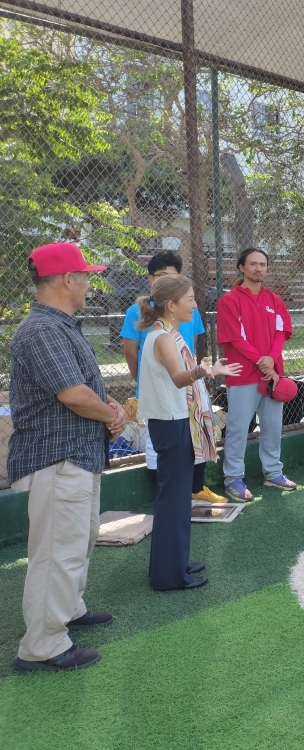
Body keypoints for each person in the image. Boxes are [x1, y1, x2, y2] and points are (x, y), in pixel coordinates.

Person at [9, 242, 127, 672]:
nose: (88, 283)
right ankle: (42, 644)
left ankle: (68, 610)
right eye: (85, 276)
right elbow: (74, 395)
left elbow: (86, 387)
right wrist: (109, 413)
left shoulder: (59, 325)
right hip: (57, 458)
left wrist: (110, 408)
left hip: (75, 454)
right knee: (58, 551)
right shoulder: (42, 329)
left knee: (75, 543)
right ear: (67, 279)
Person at [136, 276, 240, 590]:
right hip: (171, 422)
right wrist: (201, 371)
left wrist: (208, 369)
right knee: (173, 499)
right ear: (171, 305)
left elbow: (182, 377)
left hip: (176, 420)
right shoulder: (163, 337)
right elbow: (180, 378)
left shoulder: (169, 333)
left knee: (178, 498)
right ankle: (169, 575)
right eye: (191, 299)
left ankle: (173, 563)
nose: (195, 304)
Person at [120, 250, 224, 503]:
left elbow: (191, 344)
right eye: (163, 276)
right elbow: (132, 353)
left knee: (193, 446)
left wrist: (201, 372)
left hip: (187, 392)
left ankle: (192, 491)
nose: (194, 304)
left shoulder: (177, 323)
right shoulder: (155, 328)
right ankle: (170, 496)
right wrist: (145, 383)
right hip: (166, 398)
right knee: (164, 457)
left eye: (174, 276)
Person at [215, 248, 297, 501]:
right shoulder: (229, 301)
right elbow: (234, 338)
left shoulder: (275, 300)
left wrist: (271, 359)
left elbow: (281, 333)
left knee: (273, 427)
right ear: (241, 267)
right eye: (253, 264)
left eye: (262, 264)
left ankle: (272, 472)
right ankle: (233, 478)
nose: (258, 268)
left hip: (272, 374)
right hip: (242, 374)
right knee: (239, 427)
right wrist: (261, 361)